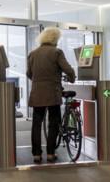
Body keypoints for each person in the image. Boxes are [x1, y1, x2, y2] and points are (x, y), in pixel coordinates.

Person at [26, 27, 76, 163]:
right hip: (53, 93)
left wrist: (39, 82)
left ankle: (36, 154)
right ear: (55, 39)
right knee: (53, 123)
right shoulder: (57, 52)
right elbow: (68, 69)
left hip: (37, 93)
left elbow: (29, 73)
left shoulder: (33, 53)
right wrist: (72, 78)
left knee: (36, 124)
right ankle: (50, 153)